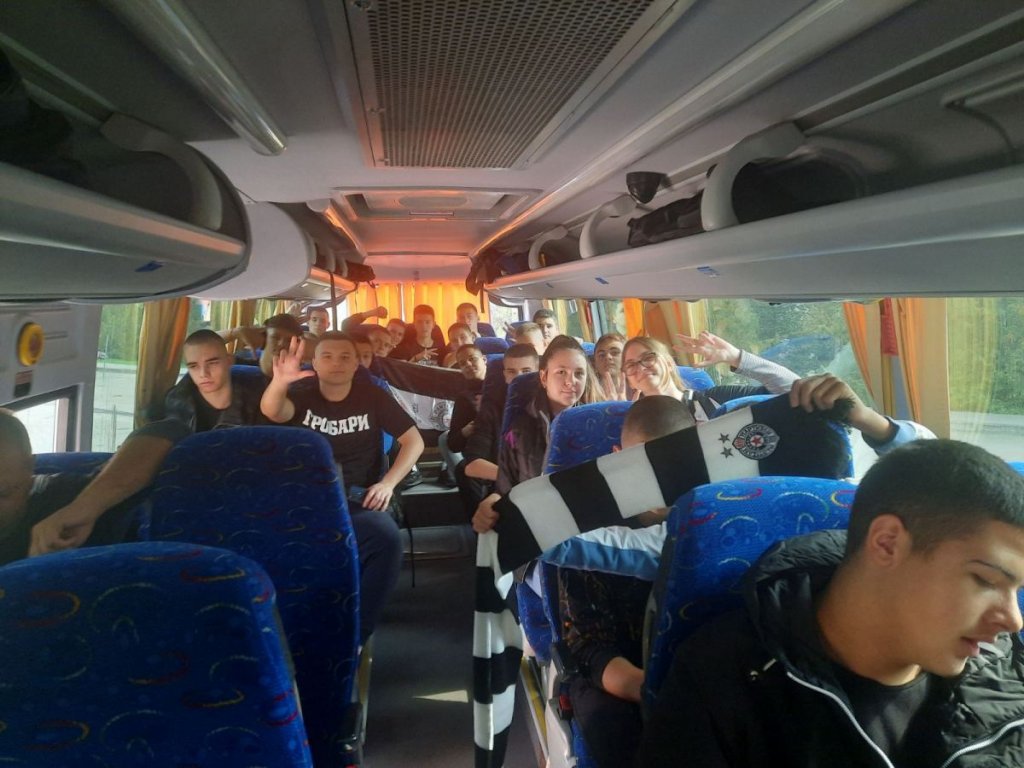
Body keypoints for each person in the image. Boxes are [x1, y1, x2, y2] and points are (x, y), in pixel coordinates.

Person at [637, 439, 1024, 767]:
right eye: (986, 581)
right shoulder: (724, 683)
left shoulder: (1004, 668)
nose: (1014, 620)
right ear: (887, 543)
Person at [27, 329, 266, 556]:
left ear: (229, 361)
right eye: (193, 366)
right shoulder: (176, 400)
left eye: (212, 363)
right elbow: (159, 437)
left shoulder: (258, 401)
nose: (203, 373)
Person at [261, 331, 424, 641]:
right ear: (315, 363)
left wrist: (387, 484)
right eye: (327, 356)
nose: (336, 363)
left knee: (387, 539)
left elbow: (413, 441)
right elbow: (273, 411)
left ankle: (356, 634)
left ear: (356, 364)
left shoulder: (373, 396)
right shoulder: (302, 394)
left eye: (345, 357)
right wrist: (280, 382)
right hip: (307, 500)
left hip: (358, 499)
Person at [559, 396, 694, 768]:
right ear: (619, 458)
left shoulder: (719, 511)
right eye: (644, 464)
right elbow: (587, 644)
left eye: (674, 462)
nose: (661, 478)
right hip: (617, 671)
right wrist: (649, 688)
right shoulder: (589, 530)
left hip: (699, 664)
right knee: (617, 731)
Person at [473, 335, 604, 533]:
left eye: (579, 373)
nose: (571, 382)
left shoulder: (599, 423)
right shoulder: (519, 430)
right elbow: (506, 488)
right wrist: (492, 502)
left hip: (589, 525)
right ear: (543, 377)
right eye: (561, 372)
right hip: (537, 523)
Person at [0, 410, 156, 565]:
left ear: (29, 467)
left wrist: (83, 508)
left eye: (2, 492)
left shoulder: (66, 496)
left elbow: (160, 433)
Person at [623, 333, 796, 421]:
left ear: (669, 363)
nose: (640, 367)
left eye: (648, 358)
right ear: (630, 382)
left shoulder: (717, 399)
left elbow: (792, 391)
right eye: (631, 365)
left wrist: (736, 357)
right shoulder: (633, 424)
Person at [463, 343, 540, 486]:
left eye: (526, 371)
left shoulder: (552, 406)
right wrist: (517, 477)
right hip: (507, 486)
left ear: (539, 374)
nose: (518, 378)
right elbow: (472, 464)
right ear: (505, 375)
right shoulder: (492, 410)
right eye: (512, 372)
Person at [439, 344, 486, 493]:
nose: (468, 365)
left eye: (473, 359)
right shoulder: (463, 399)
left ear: (484, 360)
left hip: (507, 450)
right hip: (479, 453)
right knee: (464, 471)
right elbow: (453, 444)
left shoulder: (503, 387)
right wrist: (466, 431)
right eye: (463, 363)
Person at [593, 331, 627, 401]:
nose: (608, 357)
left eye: (615, 352)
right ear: (595, 362)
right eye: (602, 355)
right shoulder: (586, 395)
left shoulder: (639, 389)